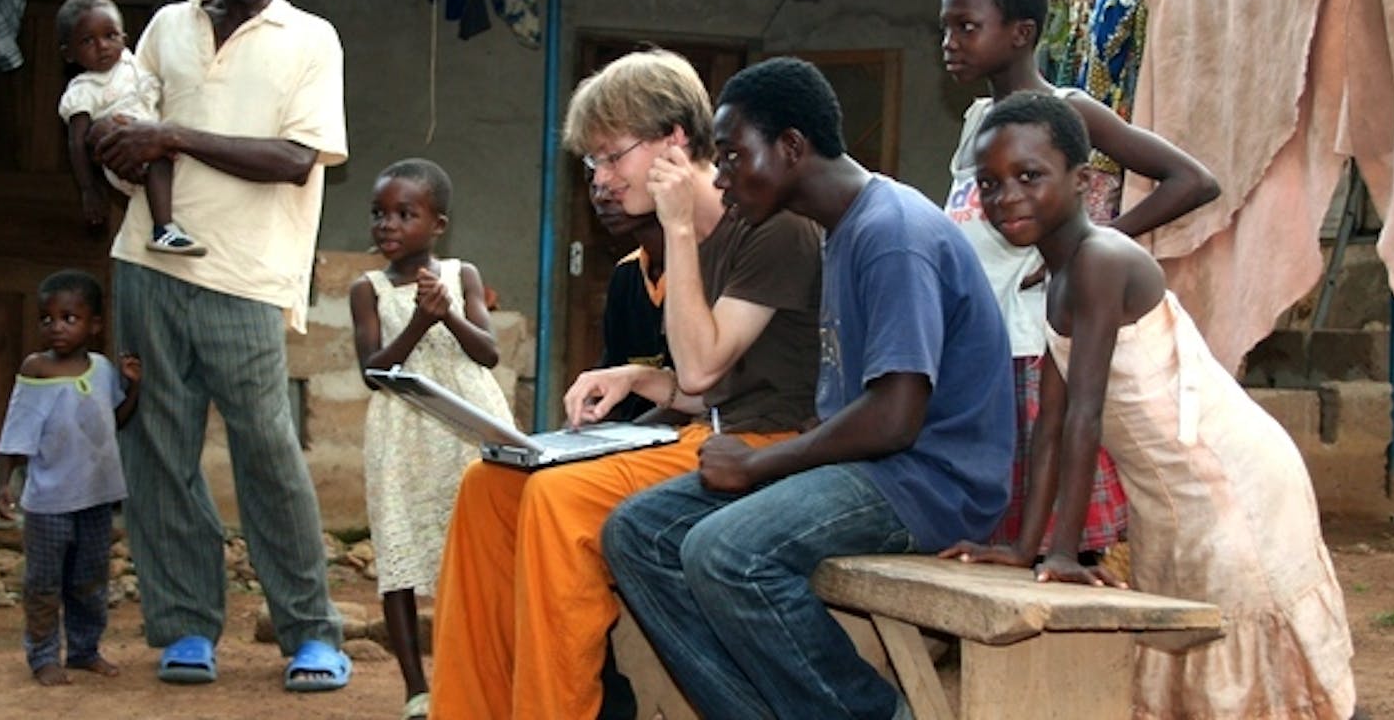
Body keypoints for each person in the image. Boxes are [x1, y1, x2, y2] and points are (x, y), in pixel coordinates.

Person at [602, 56, 1015, 720]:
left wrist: (761, 461)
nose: (723, 178)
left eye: (734, 157)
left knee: (725, 551)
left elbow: (896, 417)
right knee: (639, 531)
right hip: (870, 469)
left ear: (792, 147)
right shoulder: (839, 231)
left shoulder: (892, 234)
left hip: (931, 481)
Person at [427, 48, 822, 720]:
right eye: (594, 164)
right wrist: (639, 377)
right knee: (488, 485)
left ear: (674, 141)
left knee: (560, 499)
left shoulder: (770, 227)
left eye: (613, 156)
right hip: (710, 431)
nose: (603, 180)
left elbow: (705, 372)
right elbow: (703, 383)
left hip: (774, 448)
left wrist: (675, 230)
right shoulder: (690, 238)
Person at [944, 91, 1358, 718]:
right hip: (1167, 494)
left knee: (1253, 661)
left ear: (1082, 181)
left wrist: (1062, 552)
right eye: (991, 184)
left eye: (1030, 177)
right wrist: (1028, 547)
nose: (1008, 198)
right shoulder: (1055, 277)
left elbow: (1086, 413)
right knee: (1183, 655)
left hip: (1226, 480)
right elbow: (1050, 427)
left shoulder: (1100, 261)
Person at [89, 0, 352, 692]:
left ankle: (311, 633)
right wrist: (119, 146)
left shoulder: (310, 37)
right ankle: (184, 626)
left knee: (267, 451)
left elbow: (297, 158)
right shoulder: (168, 24)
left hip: (248, 275)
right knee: (157, 451)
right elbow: (127, 123)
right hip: (148, 261)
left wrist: (171, 138)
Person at [938, 0, 1220, 565]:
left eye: (967, 27)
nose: (949, 43)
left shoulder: (1068, 112)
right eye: (945, 28)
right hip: (986, 351)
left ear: (1021, 35)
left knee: (1054, 530)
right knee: (998, 528)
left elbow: (1192, 180)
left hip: (1038, 349)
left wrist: (1092, 245)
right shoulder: (980, 124)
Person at [349, 158, 515, 720]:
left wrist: (446, 315)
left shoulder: (462, 274)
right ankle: (416, 689)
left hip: (464, 423)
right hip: (402, 430)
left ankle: (468, 678)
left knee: (469, 551)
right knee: (399, 554)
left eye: (404, 213)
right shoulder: (366, 289)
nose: (387, 225)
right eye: (379, 214)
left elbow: (488, 354)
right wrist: (420, 322)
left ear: (437, 224)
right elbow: (374, 370)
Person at [0, 270, 141, 686]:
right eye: (47, 319)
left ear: (94, 325)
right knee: (44, 583)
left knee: (89, 580)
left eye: (69, 318)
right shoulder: (36, 369)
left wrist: (132, 389)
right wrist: (5, 481)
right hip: (48, 503)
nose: (56, 327)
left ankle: (84, 650)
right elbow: (18, 428)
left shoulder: (101, 369)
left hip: (95, 497)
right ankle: (43, 657)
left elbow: (115, 422)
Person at [56, 0, 200, 256]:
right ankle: (163, 229)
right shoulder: (83, 90)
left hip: (152, 139)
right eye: (88, 41)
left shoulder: (134, 63)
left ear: (124, 37)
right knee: (160, 154)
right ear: (69, 53)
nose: (102, 46)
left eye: (110, 36)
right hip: (125, 155)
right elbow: (76, 141)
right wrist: (88, 189)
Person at [590, 179, 672, 423]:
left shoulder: (705, 266)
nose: (600, 197)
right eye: (593, 185)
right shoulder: (625, 274)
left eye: (617, 183)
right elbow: (614, 361)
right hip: (633, 433)